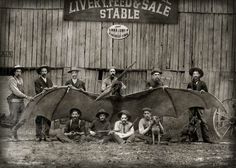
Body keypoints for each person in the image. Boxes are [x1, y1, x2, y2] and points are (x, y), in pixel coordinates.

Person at [186, 67, 213, 143]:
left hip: (200, 105)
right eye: (194, 74)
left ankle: (206, 139)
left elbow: (207, 94)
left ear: (199, 75)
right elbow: (186, 95)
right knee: (191, 121)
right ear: (192, 75)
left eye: (196, 74)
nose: (195, 75)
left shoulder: (203, 84)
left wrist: (203, 91)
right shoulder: (189, 84)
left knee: (203, 122)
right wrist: (188, 91)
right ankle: (193, 138)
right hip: (191, 105)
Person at [7, 65, 33, 140]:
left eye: (20, 71)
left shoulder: (21, 80)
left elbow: (22, 91)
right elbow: (16, 92)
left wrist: (27, 97)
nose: (19, 73)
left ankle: (14, 131)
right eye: (17, 71)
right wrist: (27, 97)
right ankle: (13, 136)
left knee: (23, 118)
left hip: (21, 102)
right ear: (14, 72)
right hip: (14, 102)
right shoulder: (12, 80)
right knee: (14, 119)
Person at [34, 65, 53, 141]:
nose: (44, 72)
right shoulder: (37, 81)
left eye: (45, 71)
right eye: (42, 71)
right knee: (39, 118)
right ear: (40, 72)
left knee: (48, 118)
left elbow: (52, 90)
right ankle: (38, 136)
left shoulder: (49, 80)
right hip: (41, 102)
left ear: (47, 72)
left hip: (49, 102)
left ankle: (46, 135)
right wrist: (44, 90)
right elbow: (38, 91)